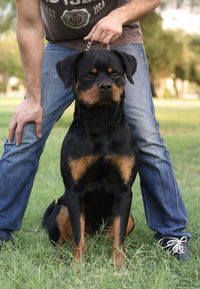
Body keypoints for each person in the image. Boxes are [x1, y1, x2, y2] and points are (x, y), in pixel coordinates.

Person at [0, 0, 191, 261]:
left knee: (148, 137)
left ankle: (172, 233)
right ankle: (0, 228)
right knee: (25, 131)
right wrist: (33, 99)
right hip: (62, 45)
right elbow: (30, 25)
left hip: (120, 37)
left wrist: (119, 15)